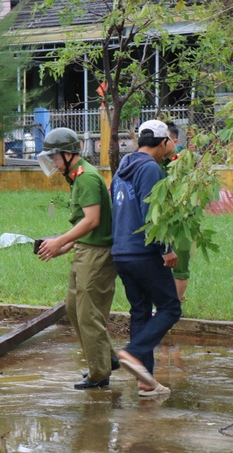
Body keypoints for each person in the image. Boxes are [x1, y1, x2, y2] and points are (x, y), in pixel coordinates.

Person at [35, 127, 118, 389]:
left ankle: (99, 373)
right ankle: (107, 358)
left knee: (88, 315)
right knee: (74, 307)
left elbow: (93, 220)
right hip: (84, 250)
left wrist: (59, 240)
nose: (53, 163)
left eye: (55, 157)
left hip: (97, 255)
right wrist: (66, 245)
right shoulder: (76, 177)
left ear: (69, 154)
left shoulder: (85, 178)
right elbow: (87, 222)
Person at [111, 120, 182, 397]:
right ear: (163, 142)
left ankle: (145, 381)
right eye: (170, 142)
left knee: (140, 312)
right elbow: (149, 212)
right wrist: (166, 248)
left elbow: (114, 208)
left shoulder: (123, 166)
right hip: (143, 252)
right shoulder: (150, 168)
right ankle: (133, 353)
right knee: (170, 308)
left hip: (121, 253)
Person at [162, 122, 192, 302]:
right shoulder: (153, 163)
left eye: (162, 139)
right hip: (159, 223)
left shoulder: (181, 164)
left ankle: (174, 307)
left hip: (181, 222)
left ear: (174, 141)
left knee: (180, 265)